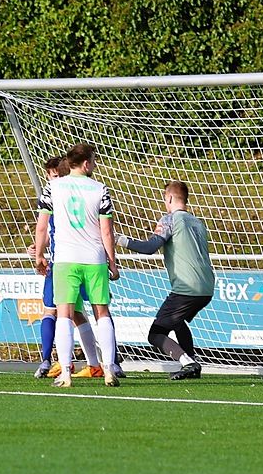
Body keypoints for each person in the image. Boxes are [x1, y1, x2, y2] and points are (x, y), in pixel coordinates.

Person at [35, 143, 120, 388]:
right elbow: (106, 231)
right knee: (101, 312)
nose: (94, 165)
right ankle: (108, 370)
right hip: (94, 259)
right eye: (93, 161)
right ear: (85, 163)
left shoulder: (52, 187)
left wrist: (39, 255)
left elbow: (42, 226)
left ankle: (66, 374)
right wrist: (112, 263)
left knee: (64, 314)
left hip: (65, 260)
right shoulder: (100, 189)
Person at [116, 180, 214, 380]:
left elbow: (150, 248)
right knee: (177, 322)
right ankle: (192, 363)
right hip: (207, 287)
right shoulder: (197, 222)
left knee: (156, 334)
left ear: (169, 198)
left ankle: (188, 363)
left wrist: (119, 239)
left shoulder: (169, 219)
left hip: (186, 288)